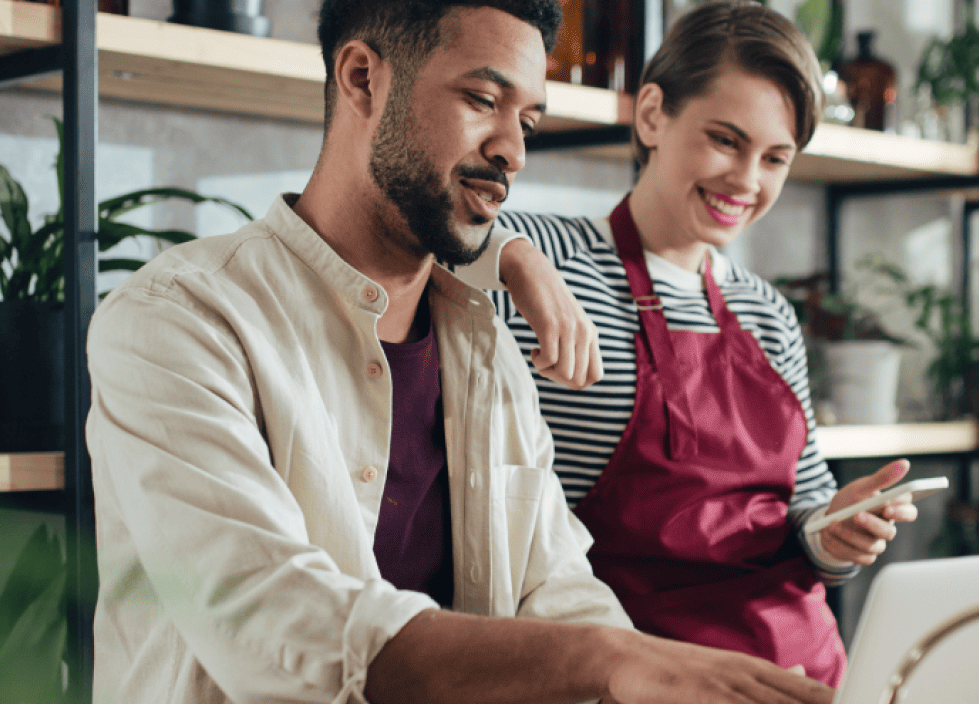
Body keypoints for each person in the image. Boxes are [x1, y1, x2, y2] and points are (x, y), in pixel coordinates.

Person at [84, 0, 836, 702]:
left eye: (528, 123)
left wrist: (632, 659)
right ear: (361, 78)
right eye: (482, 101)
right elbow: (267, 614)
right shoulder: (181, 322)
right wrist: (606, 660)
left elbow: (555, 584)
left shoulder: (487, 349)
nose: (511, 151)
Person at [453, 1, 921, 687]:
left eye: (775, 158)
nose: (747, 180)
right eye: (726, 141)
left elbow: (802, 513)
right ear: (652, 116)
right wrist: (517, 258)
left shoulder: (767, 312)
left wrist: (836, 533)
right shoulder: (547, 257)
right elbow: (423, 233)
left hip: (804, 675)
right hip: (637, 676)